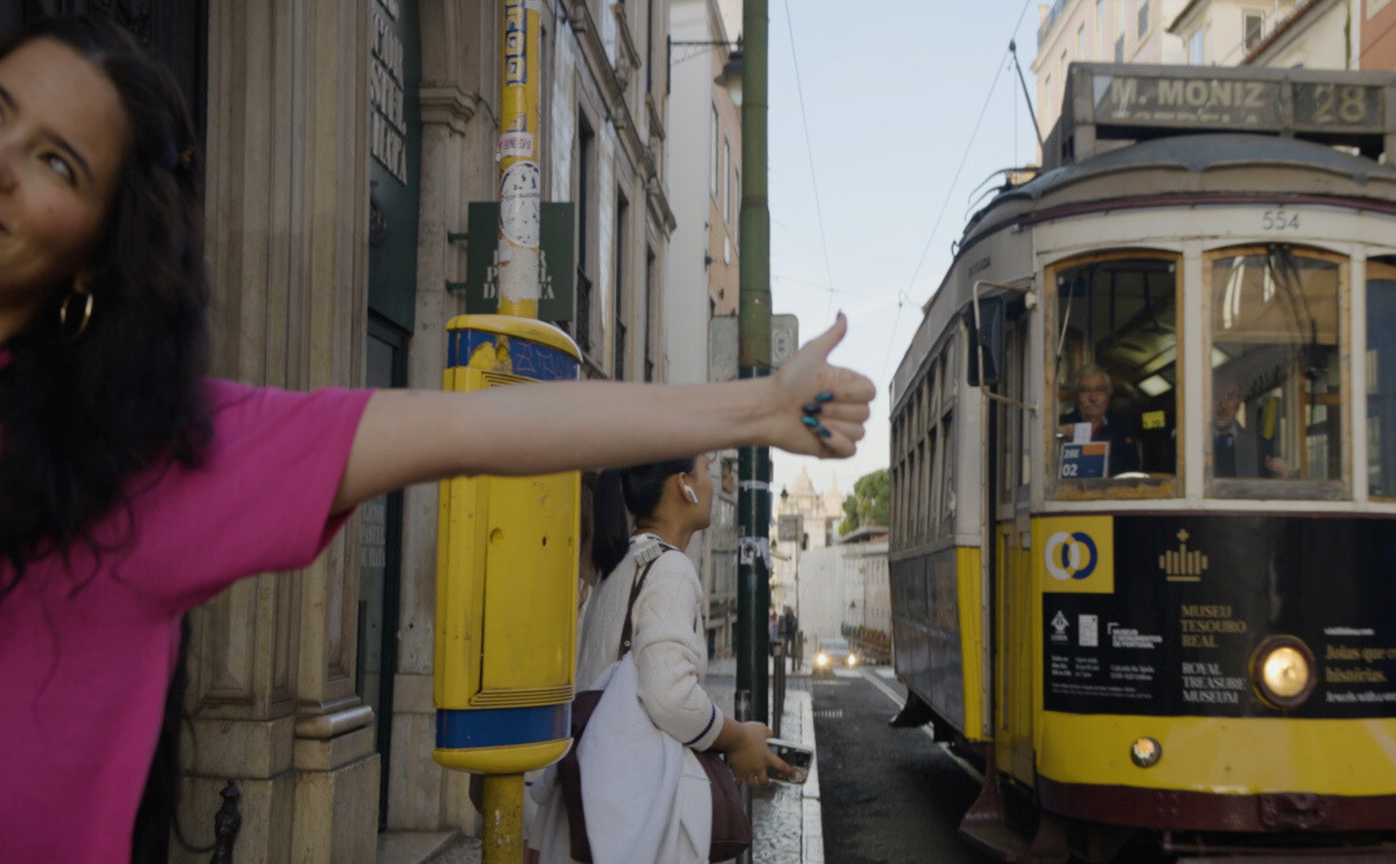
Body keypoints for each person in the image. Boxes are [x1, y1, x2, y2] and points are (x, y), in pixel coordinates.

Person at [0, 17, 872, 863]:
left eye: (56, 162)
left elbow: (487, 425)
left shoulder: (150, 465)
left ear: (95, 256)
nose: (6, 165)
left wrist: (757, 408)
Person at [528, 456, 790, 864]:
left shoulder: (619, 567)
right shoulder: (671, 569)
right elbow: (669, 697)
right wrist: (739, 737)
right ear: (684, 485)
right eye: (705, 471)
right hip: (637, 819)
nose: (711, 484)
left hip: (591, 806)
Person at [1057, 363, 1140, 476]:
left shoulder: (1122, 425)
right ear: (1076, 397)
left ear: (1108, 396)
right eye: (1085, 390)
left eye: (1100, 390)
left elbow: (1131, 467)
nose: (1093, 398)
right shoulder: (1060, 424)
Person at [1211, 371, 1289, 478]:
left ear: (1238, 403)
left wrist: (1285, 474)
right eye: (1216, 397)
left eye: (1229, 397)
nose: (1223, 405)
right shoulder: (1192, 444)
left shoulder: (1261, 448)